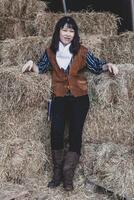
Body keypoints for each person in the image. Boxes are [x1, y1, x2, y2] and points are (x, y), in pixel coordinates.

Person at [22, 16, 119, 191]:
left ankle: (68, 176)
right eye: (65, 30)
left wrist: (109, 65)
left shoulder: (81, 51)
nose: (68, 34)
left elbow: (97, 66)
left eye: (71, 30)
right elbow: (41, 68)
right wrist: (31, 64)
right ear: (58, 31)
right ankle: (57, 174)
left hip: (79, 99)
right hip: (59, 98)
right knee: (56, 133)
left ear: (75, 33)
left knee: (75, 134)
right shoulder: (50, 51)